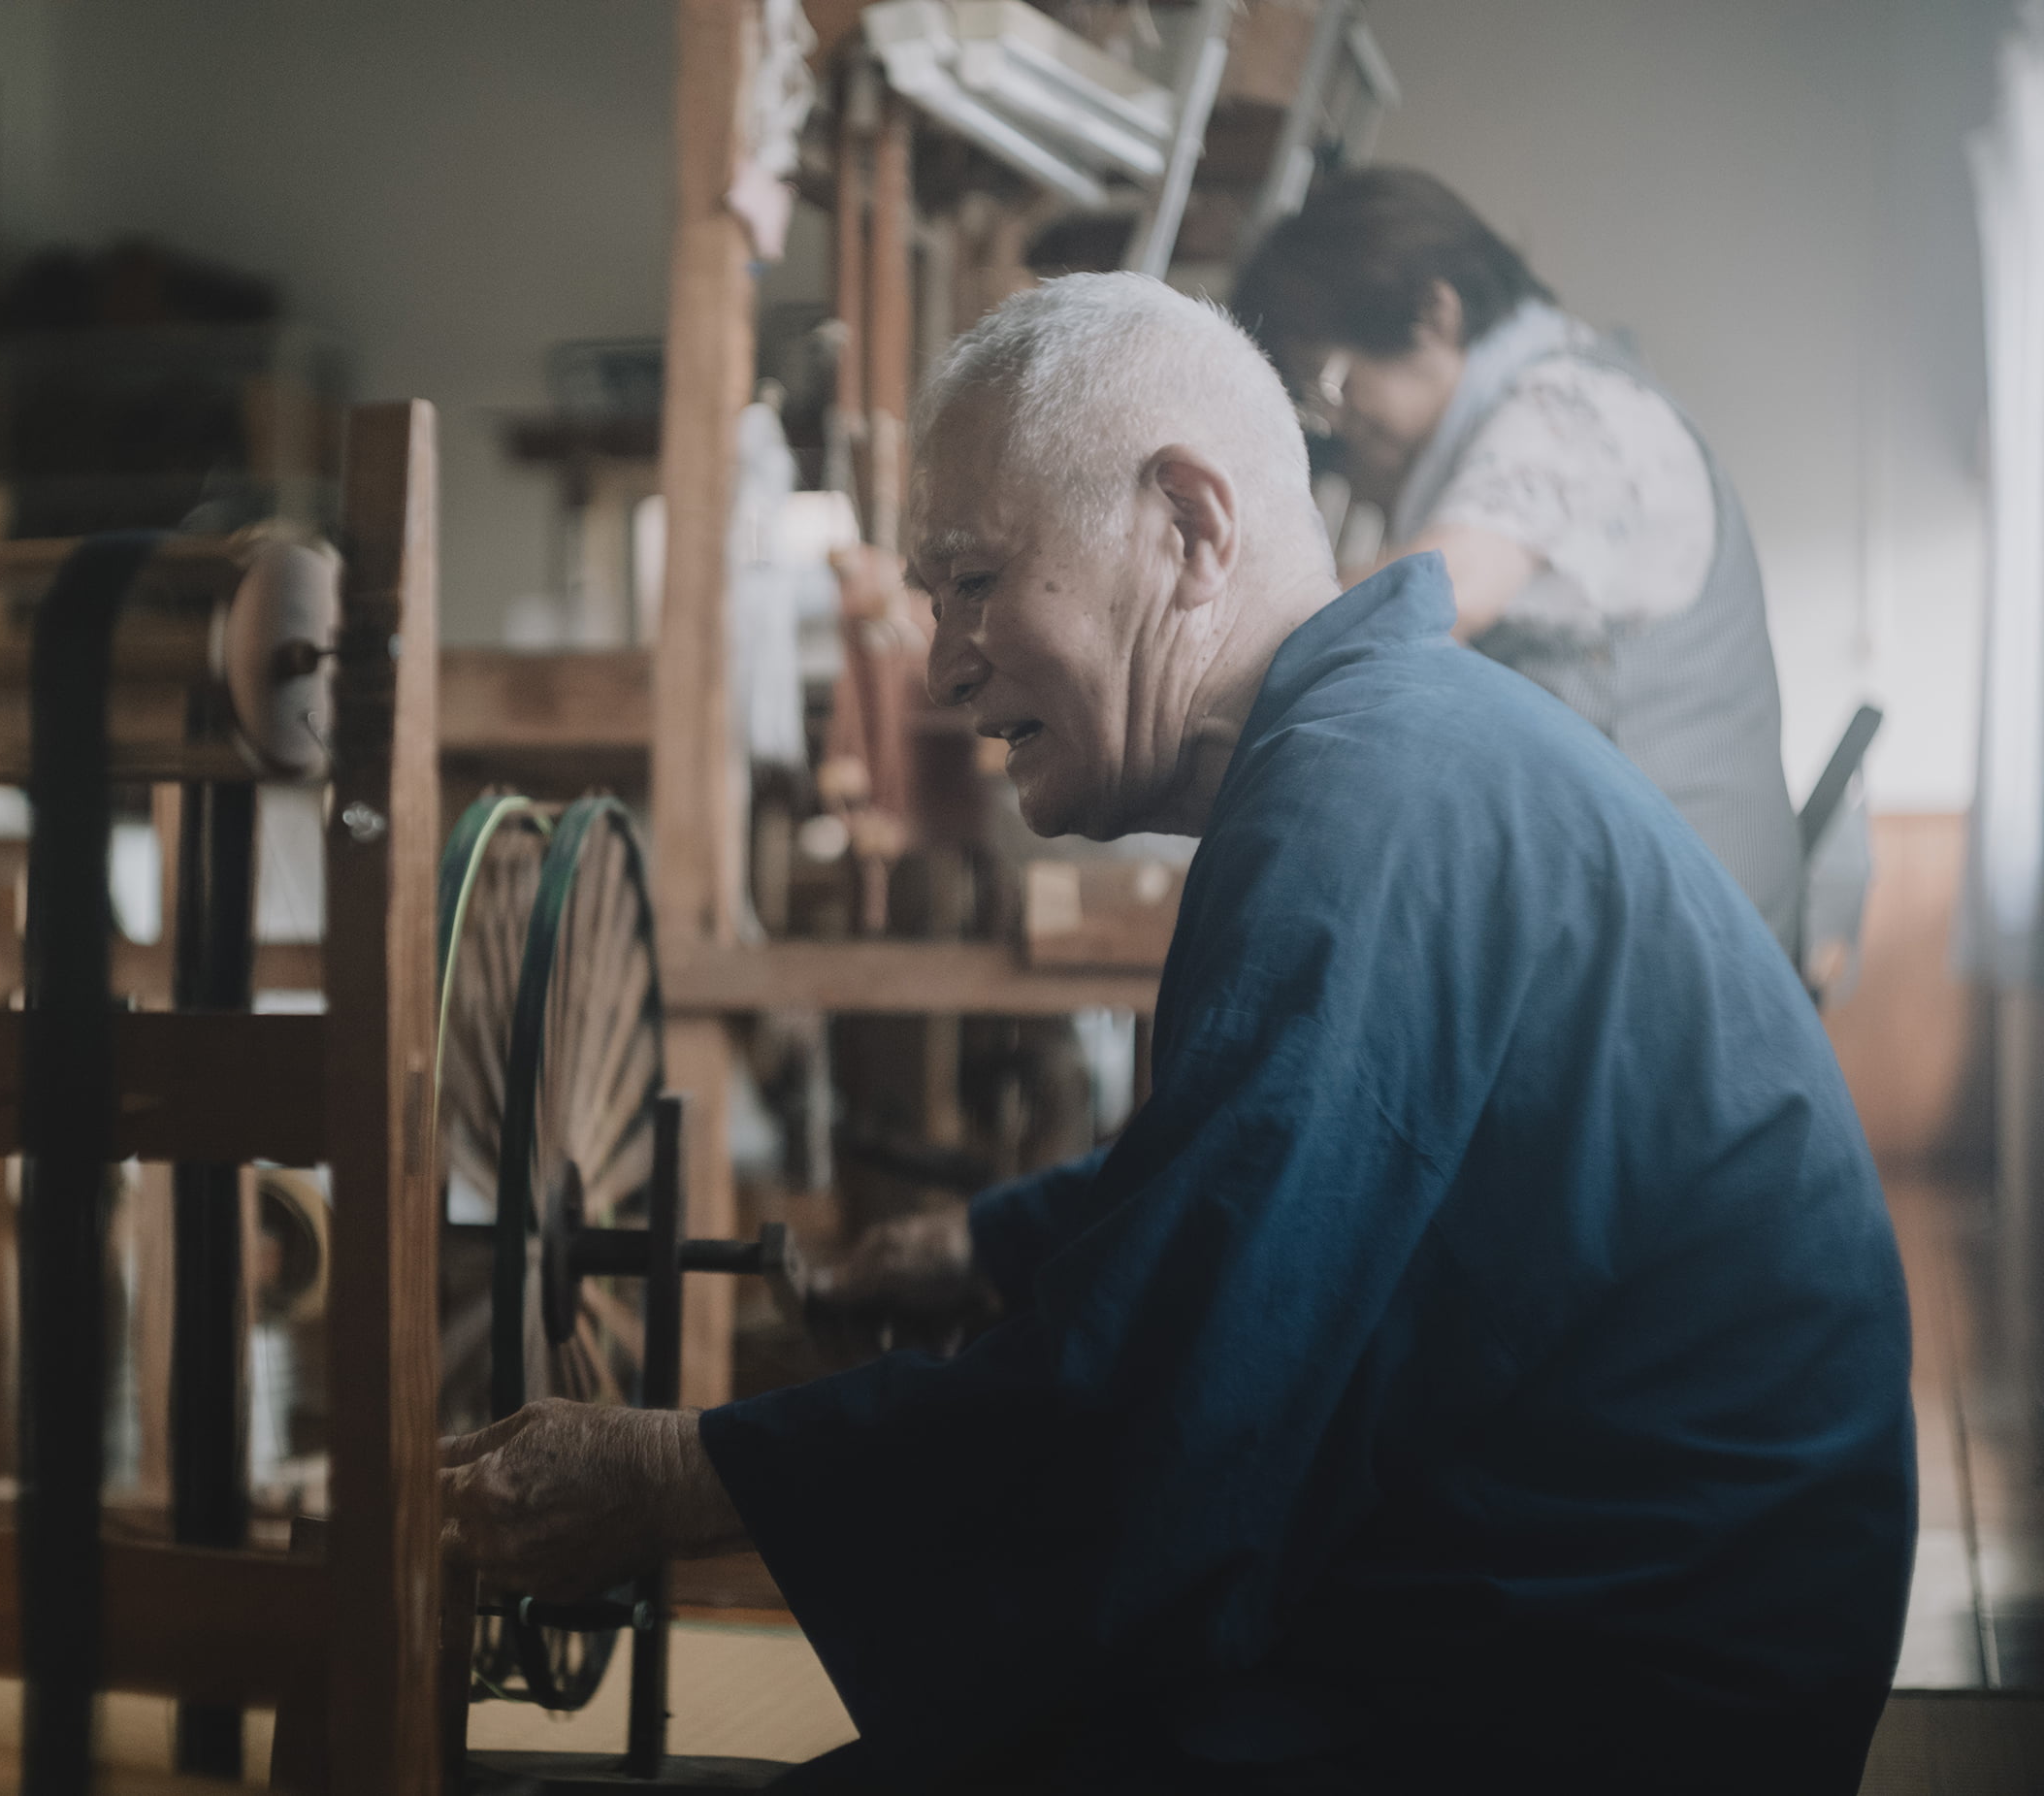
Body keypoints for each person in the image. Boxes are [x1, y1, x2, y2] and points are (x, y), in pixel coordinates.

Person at [440, 274, 1913, 1794]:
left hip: (1615, 1677)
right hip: (1590, 1590)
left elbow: (1165, 1415)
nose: (942, 665)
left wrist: (689, 1469)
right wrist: (989, 1242)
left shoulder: (1367, 800)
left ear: (1192, 529)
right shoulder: (1382, 741)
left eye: (969, 579)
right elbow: (1302, 1166)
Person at [1228, 168, 1808, 957]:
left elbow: (1419, 598)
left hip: (1688, 938)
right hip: (1649, 908)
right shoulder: (1542, 398)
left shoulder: (1569, 412)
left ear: (1436, 313)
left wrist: (1215, 638)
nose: (1338, 423)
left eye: (1335, 383)